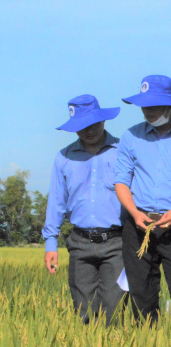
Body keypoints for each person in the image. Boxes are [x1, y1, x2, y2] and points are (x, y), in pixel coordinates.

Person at [114, 75, 171, 330]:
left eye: (155, 106)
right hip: (138, 225)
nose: (149, 111)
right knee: (141, 294)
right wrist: (134, 213)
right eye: (145, 106)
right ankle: (147, 346)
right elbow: (121, 182)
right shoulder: (131, 137)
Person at [43, 94, 125, 326]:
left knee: (114, 310)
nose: (88, 131)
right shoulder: (64, 158)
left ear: (103, 121)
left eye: (93, 124)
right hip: (80, 242)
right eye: (81, 126)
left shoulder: (123, 151)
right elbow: (56, 203)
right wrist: (51, 243)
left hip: (116, 242)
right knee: (83, 312)